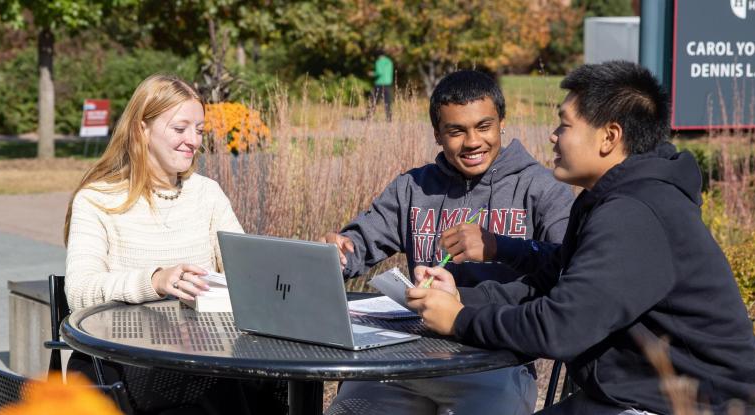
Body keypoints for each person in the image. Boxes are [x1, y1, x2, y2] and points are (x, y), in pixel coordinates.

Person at [406, 61, 755, 415]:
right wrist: (458, 298)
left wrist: (460, 320)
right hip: (631, 396)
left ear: (609, 137)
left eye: (564, 125)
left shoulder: (635, 213)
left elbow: (561, 328)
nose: (553, 135)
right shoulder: (609, 199)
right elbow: (548, 285)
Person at [324, 70, 574, 415]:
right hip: (404, 356)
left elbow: (570, 265)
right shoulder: (412, 187)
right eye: (456, 131)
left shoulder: (542, 188)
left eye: (483, 126)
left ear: (502, 122)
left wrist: (500, 247)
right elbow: (361, 242)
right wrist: (339, 253)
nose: (472, 142)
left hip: (494, 363)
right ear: (438, 135)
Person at [62, 74, 285, 415]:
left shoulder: (206, 194)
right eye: (180, 129)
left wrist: (274, 277)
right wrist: (155, 281)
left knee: (277, 382)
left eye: (199, 130)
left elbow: (246, 271)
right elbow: (79, 291)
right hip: (121, 360)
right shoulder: (98, 199)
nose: (193, 140)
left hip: (203, 357)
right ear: (142, 129)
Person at [368, 50, 394, 121]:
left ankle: (369, 116)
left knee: (373, 100)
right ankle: (389, 118)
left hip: (380, 83)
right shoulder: (389, 62)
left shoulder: (378, 62)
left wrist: (372, 73)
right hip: (388, 84)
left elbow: (379, 72)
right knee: (387, 102)